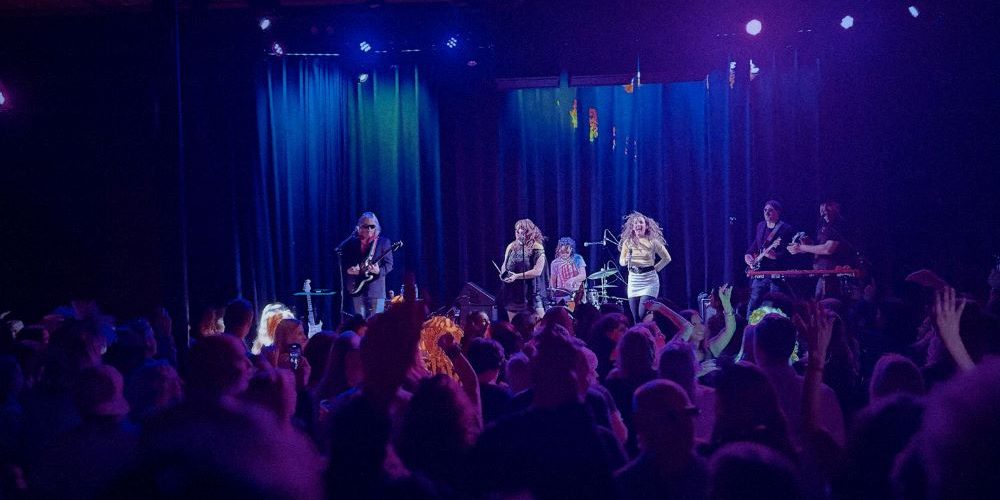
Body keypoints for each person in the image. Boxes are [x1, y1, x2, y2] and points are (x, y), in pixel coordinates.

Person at [787, 201, 855, 299]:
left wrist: (801, 247)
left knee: (833, 307)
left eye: (829, 205)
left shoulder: (839, 225)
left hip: (837, 276)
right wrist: (805, 246)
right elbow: (818, 247)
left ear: (837, 206)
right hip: (821, 274)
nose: (824, 210)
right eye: (822, 207)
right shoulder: (822, 225)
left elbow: (828, 249)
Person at [744, 200, 797, 316]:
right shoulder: (760, 226)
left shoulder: (786, 229)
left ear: (778, 212)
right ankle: (748, 329)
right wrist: (748, 255)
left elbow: (789, 253)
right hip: (760, 274)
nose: (767, 212)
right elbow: (756, 245)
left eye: (770, 210)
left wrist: (775, 256)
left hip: (776, 274)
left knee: (775, 304)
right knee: (753, 304)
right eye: (765, 210)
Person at [619, 212, 671, 323]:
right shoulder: (628, 242)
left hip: (649, 281)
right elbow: (621, 262)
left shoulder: (653, 241)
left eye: (641, 222)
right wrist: (626, 260)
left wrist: (655, 268)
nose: (638, 224)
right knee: (636, 319)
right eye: (635, 223)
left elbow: (667, 258)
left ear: (646, 226)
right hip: (634, 280)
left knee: (643, 315)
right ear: (632, 227)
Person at [341, 212, 395, 318]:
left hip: (376, 292)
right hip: (357, 290)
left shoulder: (383, 242)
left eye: (372, 226)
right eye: (366, 226)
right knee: (360, 323)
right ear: (360, 227)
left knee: (376, 324)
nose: (369, 229)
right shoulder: (353, 243)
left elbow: (389, 265)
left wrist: (379, 271)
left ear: (376, 227)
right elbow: (345, 263)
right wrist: (350, 270)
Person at [497, 219, 546, 321]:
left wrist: (516, 276)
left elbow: (538, 271)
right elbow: (504, 265)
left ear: (529, 232)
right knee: (514, 328)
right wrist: (503, 274)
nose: (519, 235)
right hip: (513, 294)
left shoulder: (537, 247)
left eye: (522, 232)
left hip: (530, 295)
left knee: (540, 324)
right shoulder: (511, 246)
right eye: (517, 232)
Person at [549, 237, 587, 303]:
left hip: (577, 292)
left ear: (571, 249)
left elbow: (583, 275)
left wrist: (572, 280)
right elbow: (553, 280)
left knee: (575, 311)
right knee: (565, 311)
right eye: (562, 252)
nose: (564, 254)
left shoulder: (577, 258)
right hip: (562, 293)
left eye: (567, 252)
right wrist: (553, 292)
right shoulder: (555, 263)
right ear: (558, 249)